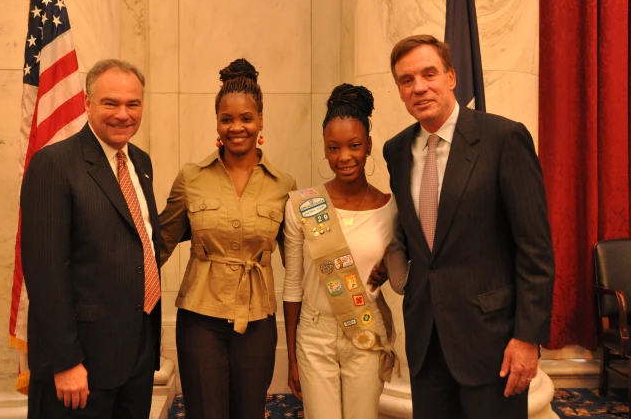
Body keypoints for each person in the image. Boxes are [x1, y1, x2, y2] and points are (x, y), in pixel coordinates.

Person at [382, 35, 555, 419]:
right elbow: (416, 240)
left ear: (451, 76)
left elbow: (535, 251)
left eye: (429, 74)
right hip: (427, 341)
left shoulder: (503, 139)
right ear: (399, 90)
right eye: (406, 80)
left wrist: (528, 338)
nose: (419, 87)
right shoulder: (396, 151)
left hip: (493, 343)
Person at [21, 59, 163, 419]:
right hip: (81, 364)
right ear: (87, 103)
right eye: (110, 103)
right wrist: (65, 361)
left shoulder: (141, 163)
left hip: (137, 355)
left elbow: (137, 245)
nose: (123, 114)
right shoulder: (54, 164)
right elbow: (45, 274)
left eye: (133, 104)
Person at [159, 58, 296, 419]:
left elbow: (301, 265)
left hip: (258, 321)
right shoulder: (191, 178)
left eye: (246, 118)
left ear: (261, 120)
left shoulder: (284, 185)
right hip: (200, 318)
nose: (237, 128)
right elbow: (156, 247)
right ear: (217, 122)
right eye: (227, 119)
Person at [282, 84, 400, 419]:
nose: (343, 156)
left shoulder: (391, 209)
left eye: (354, 145)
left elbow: (403, 266)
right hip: (314, 331)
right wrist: (291, 356)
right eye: (333, 148)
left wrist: (389, 270)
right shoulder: (303, 206)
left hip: (365, 326)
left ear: (368, 146)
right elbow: (292, 284)